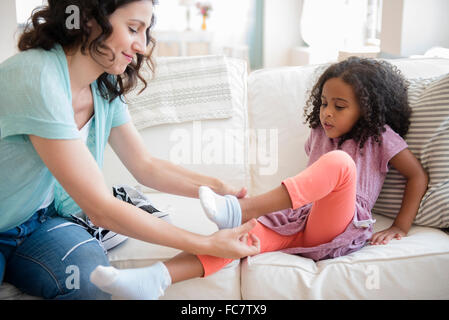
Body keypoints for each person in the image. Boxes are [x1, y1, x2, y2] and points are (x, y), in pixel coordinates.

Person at [89, 57, 429, 299]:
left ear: (366, 109)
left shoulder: (380, 137)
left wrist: (400, 225)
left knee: (340, 163)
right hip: (299, 222)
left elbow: (416, 176)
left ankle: (242, 208)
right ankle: (153, 279)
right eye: (324, 103)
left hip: (340, 226)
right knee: (236, 239)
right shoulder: (319, 132)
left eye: (339, 106)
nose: (327, 112)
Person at [0, 0, 260, 300]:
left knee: (91, 282)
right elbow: (100, 208)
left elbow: (145, 165)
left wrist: (218, 187)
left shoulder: (103, 86)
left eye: (145, 31)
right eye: (133, 28)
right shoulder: (37, 76)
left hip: (37, 222)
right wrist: (206, 243)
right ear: (89, 20)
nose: (142, 45)